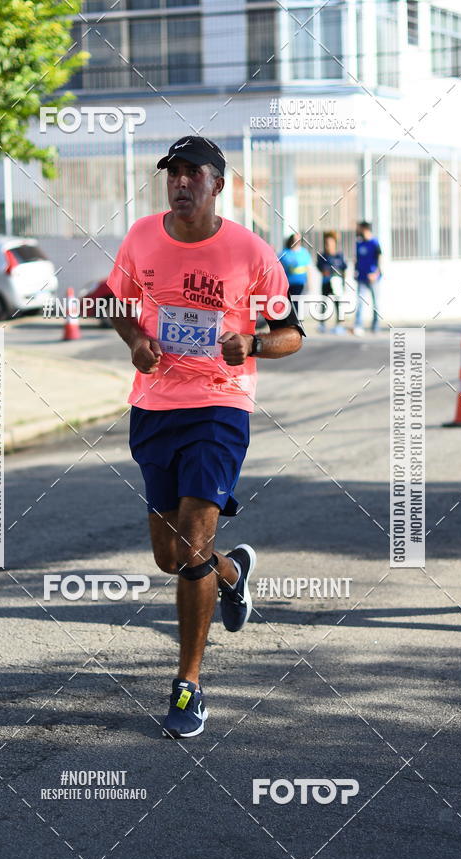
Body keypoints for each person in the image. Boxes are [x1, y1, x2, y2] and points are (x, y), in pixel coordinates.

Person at [106, 136, 304, 739]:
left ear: (218, 184)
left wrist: (256, 343)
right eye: (173, 173)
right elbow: (117, 304)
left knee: (192, 543)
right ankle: (232, 573)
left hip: (220, 404)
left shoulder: (251, 252)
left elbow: (291, 333)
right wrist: (136, 341)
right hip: (155, 407)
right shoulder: (141, 237)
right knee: (171, 556)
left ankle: (187, 686)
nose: (181, 182)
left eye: (193, 173)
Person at [315, 230, 347, 334]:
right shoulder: (322, 256)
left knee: (338, 304)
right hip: (326, 283)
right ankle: (322, 325)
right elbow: (319, 267)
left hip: (337, 283)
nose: (328, 245)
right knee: (324, 303)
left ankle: (339, 325)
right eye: (327, 243)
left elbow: (344, 268)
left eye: (330, 243)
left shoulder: (339, 255)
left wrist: (343, 283)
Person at [354, 221, 382, 335]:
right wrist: (355, 271)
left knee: (376, 303)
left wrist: (376, 273)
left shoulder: (374, 243)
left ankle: (375, 325)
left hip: (373, 278)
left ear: (365, 229)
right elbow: (357, 259)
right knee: (360, 302)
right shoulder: (359, 243)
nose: (358, 231)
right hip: (362, 277)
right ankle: (358, 325)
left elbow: (380, 258)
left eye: (360, 229)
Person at [278, 233, 312, 305]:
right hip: (288, 283)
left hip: (300, 283)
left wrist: (309, 283)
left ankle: (295, 312)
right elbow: (279, 268)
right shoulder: (284, 253)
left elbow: (308, 269)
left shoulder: (304, 252)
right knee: (289, 303)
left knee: (295, 302)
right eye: (295, 240)